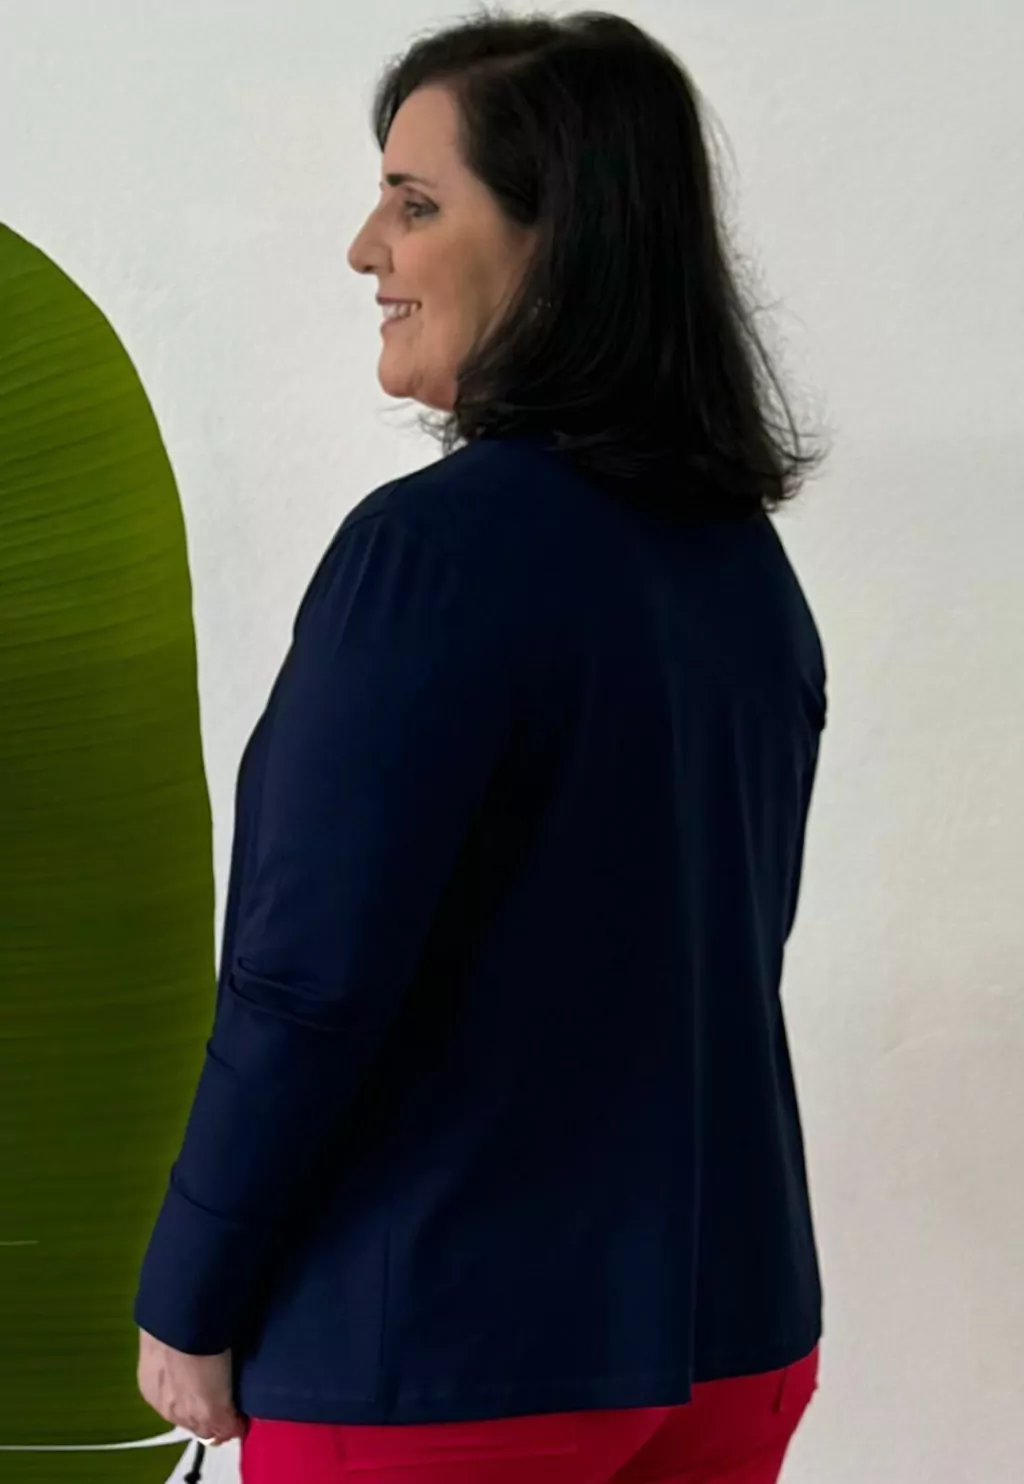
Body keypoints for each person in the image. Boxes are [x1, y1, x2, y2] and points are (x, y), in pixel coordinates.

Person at [134, 9, 829, 1482]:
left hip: (447, 1354)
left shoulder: (430, 555)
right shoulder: (739, 570)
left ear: (556, 237)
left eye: (415, 202)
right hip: (733, 1328)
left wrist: (191, 1290)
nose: (364, 249)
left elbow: (307, 979)